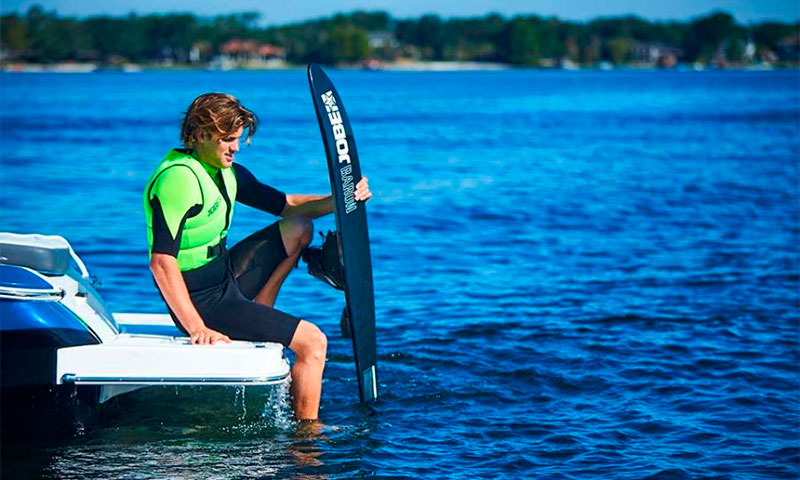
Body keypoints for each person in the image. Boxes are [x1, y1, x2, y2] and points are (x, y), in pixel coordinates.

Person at [143, 93, 371, 420]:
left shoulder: (225, 171)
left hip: (225, 278)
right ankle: (306, 438)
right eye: (228, 140)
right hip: (204, 303)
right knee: (312, 342)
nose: (236, 148)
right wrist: (196, 327)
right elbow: (161, 262)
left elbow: (289, 205)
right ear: (200, 134)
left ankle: (261, 306)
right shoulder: (179, 180)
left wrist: (342, 199)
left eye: (238, 139)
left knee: (298, 227)